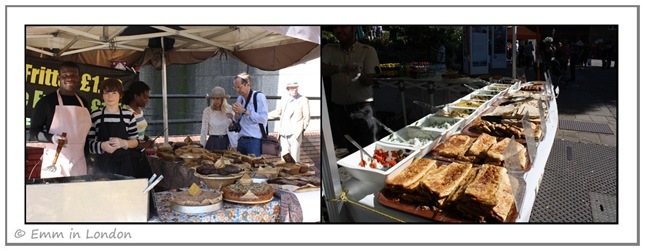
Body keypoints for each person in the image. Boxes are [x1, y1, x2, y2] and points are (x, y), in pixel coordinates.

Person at [321, 25, 380, 152]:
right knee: (348, 152)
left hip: (363, 110)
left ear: (354, 28)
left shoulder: (367, 50)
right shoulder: (329, 49)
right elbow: (322, 70)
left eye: (343, 26)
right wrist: (340, 68)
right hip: (340, 111)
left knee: (370, 150)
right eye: (336, 28)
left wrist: (359, 73)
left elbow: (368, 82)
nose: (338, 30)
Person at [29, 61, 92, 178]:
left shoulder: (84, 103)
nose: (69, 78)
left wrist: (89, 163)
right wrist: (52, 138)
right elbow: (33, 132)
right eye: (65, 75)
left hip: (79, 163)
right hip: (55, 164)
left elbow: (86, 138)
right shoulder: (46, 102)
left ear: (78, 78)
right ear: (59, 77)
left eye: (73, 75)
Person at [88, 78, 139, 177]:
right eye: (106, 93)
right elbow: (88, 144)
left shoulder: (128, 115)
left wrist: (123, 143)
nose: (110, 96)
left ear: (120, 95)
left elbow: (136, 142)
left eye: (114, 93)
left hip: (124, 166)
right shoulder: (95, 115)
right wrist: (102, 146)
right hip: (102, 167)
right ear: (102, 95)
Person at [268, 82, 310, 162]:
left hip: (295, 134)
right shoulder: (284, 99)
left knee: (294, 159)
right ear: (288, 89)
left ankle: (296, 175)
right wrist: (264, 117)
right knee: (284, 157)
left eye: (296, 87)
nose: (294, 89)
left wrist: (301, 130)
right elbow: (278, 112)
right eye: (292, 88)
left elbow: (306, 118)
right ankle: (286, 174)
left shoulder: (303, 100)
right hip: (283, 133)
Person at [231, 72, 268, 157]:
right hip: (241, 139)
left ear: (248, 84)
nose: (237, 90)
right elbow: (237, 119)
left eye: (239, 87)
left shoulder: (259, 97)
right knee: (241, 167)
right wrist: (236, 113)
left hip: (254, 140)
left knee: (254, 167)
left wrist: (244, 111)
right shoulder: (240, 99)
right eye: (235, 88)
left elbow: (263, 119)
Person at [123, 80, 154, 178]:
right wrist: (144, 144)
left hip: (140, 154)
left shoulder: (140, 111)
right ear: (136, 96)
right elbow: (125, 138)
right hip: (130, 156)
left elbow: (138, 132)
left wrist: (145, 138)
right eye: (145, 97)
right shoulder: (126, 112)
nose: (147, 100)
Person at [200, 86, 234, 151]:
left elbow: (235, 124)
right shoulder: (207, 111)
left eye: (218, 98)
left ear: (222, 99)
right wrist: (202, 145)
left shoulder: (229, 109)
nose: (215, 101)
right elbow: (204, 129)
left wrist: (233, 118)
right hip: (213, 141)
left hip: (225, 140)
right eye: (214, 98)